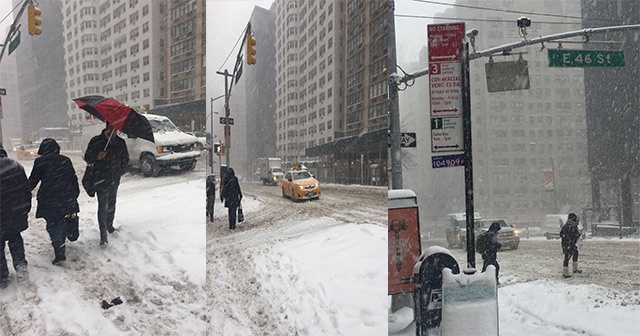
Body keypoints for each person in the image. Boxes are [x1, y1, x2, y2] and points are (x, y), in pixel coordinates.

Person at [28, 138, 80, 265]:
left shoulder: (40, 161)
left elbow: (33, 180)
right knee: (64, 218)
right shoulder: (65, 160)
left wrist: (23, 191)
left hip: (49, 198)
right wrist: (74, 194)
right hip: (66, 196)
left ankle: (59, 251)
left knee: (53, 223)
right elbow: (73, 179)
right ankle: (67, 234)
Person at [84, 123, 129, 245]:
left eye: (116, 130)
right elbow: (87, 157)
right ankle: (103, 233)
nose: (114, 132)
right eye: (112, 129)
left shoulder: (120, 143)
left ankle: (109, 225)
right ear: (107, 128)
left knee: (112, 204)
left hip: (114, 178)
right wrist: (97, 156)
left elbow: (125, 159)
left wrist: (120, 171)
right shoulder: (96, 141)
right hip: (100, 178)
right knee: (102, 206)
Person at [0, 145, 31, 287]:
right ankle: (20, 265)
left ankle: (2, 276)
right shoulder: (14, 165)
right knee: (15, 239)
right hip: (14, 211)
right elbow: (26, 189)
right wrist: (25, 208)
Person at [560, 213, 582, 278]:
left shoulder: (570, 226)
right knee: (567, 256)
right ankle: (565, 272)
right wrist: (569, 239)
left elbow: (562, 234)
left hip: (570, 243)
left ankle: (574, 269)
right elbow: (562, 234)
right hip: (569, 244)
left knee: (575, 253)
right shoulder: (569, 226)